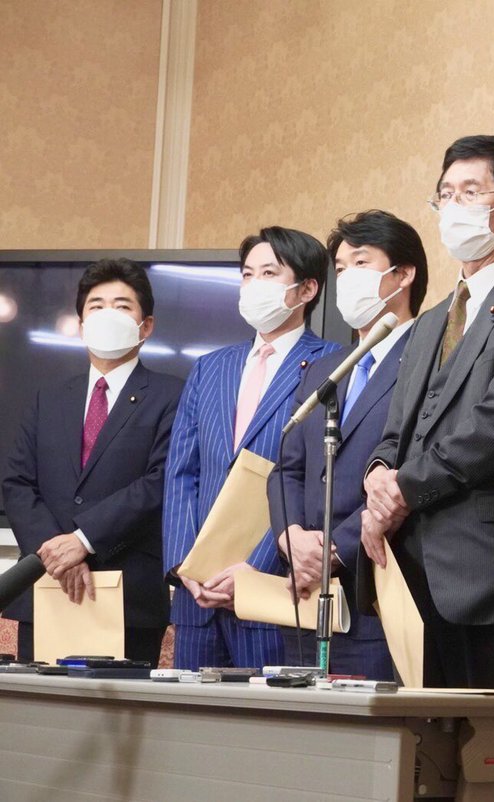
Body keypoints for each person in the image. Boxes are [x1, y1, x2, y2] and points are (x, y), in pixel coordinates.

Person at [359, 135, 494, 801]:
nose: (452, 207)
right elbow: (396, 429)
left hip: (486, 570)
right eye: (445, 194)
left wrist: (403, 490)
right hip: (411, 571)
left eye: (470, 193)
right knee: (427, 764)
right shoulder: (427, 322)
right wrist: (378, 473)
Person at [163, 226, 339, 670]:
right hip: (197, 598)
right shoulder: (209, 367)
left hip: (272, 593)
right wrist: (185, 567)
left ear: (307, 289)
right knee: (188, 713)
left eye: (269, 273)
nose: (253, 284)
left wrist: (255, 570)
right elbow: (182, 473)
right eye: (247, 274)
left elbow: (318, 481)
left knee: (267, 714)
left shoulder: (333, 365)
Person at [267, 210, 427, 679]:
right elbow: (287, 467)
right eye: (340, 268)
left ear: (403, 273)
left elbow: (416, 468)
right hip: (302, 594)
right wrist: (291, 538)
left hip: (374, 588)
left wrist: (335, 549)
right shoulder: (324, 370)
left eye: (361, 262)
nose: (347, 277)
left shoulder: (430, 359)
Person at [2, 259, 183, 664]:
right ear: (82, 325)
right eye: (96, 306)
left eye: (122, 306)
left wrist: (83, 541)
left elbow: (161, 481)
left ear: (146, 326)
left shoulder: (174, 396)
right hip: (46, 585)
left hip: (128, 595)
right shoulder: (48, 398)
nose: (107, 315)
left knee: (123, 706)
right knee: (38, 705)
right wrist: (55, 552)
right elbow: (17, 482)